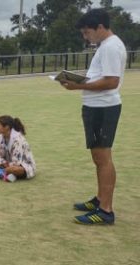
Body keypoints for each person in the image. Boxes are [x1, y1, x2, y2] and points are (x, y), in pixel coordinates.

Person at [59, 9, 126, 225]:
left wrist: (78, 85)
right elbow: (102, 77)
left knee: (103, 157)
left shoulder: (111, 47)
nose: (86, 37)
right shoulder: (105, 46)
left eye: (87, 33)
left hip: (103, 108)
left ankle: (106, 210)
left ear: (100, 27)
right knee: (98, 157)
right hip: (96, 107)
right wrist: (81, 82)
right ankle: (100, 199)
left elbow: (111, 81)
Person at [0, 116, 36, 182]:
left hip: (21, 166)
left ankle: (0, 172)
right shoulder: (0, 137)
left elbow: (17, 162)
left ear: (7, 127)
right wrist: (4, 162)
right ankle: (4, 175)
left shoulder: (18, 139)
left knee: (14, 169)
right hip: (6, 164)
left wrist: (6, 167)